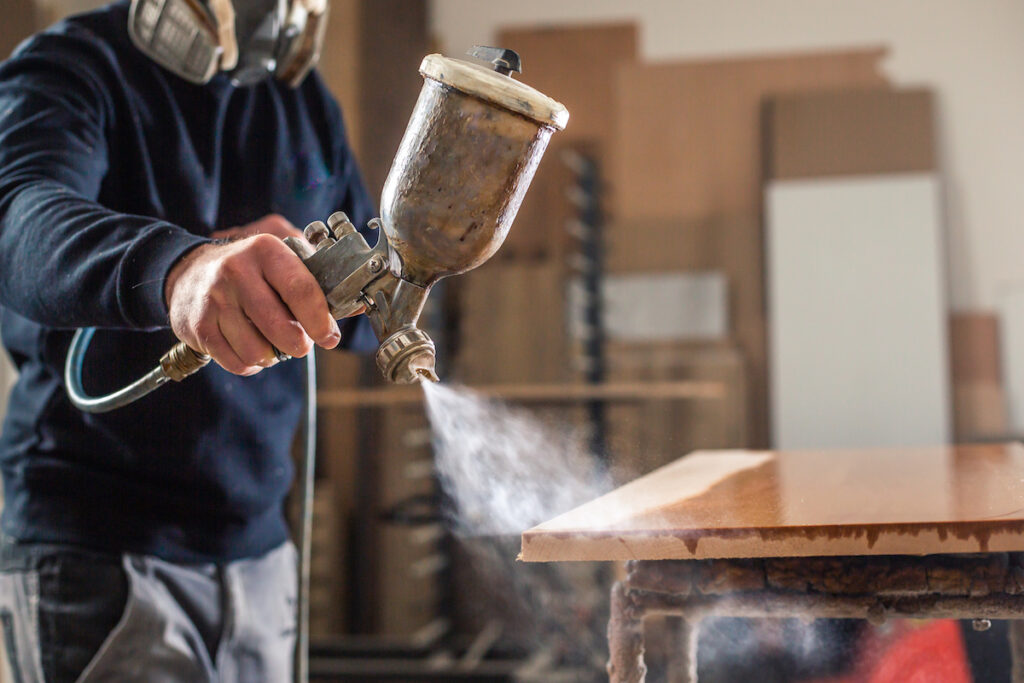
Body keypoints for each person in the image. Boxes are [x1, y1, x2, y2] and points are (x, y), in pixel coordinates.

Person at [0, 0, 375, 679]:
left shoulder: (303, 101)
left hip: (260, 551)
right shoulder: (72, 67)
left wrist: (328, 274)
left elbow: (368, 305)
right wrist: (180, 270)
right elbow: (21, 222)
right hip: (104, 556)